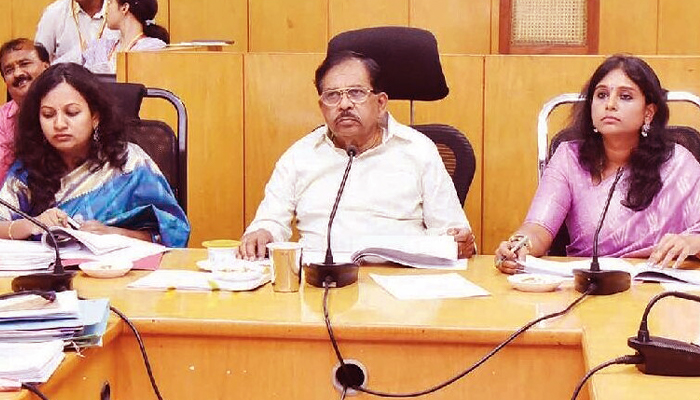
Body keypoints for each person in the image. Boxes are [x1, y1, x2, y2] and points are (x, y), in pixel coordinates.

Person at [238, 50, 475, 260]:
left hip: (402, 283)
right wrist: (262, 233)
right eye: (332, 95)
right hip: (320, 281)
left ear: (381, 103)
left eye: (356, 93)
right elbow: (270, 220)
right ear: (322, 107)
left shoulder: (418, 150)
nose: (344, 105)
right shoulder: (300, 155)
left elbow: (452, 232)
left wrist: (458, 242)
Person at [495, 54, 700, 274]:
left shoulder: (677, 163)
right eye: (601, 95)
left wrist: (691, 242)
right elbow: (538, 227)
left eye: (625, 96)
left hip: (658, 284)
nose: (610, 105)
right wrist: (519, 245)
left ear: (648, 113)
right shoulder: (569, 158)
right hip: (587, 284)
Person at [0, 63, 189, 247]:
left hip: (117, 266)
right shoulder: (28, 167)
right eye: (48, 115)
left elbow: (175, 232)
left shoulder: (129, 163)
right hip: (46, 267)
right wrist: (31, 225)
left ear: (95, 117)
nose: (59, 124)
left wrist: (116, 234)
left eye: (72, 113)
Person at [0, 39, 50, 183]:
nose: (17, 73)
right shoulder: (3, 119)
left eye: (24, 64)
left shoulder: (67, 106)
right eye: (9, 70)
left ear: (46, 67)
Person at [83, 0, 169, 74]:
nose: (106, 10)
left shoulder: (151, 48)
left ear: (124, 8)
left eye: (110, 2)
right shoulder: (102, 48)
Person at [35, 0, 119, 64]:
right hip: (66, 80)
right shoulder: (54, 12)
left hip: (112, 80)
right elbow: (39, 61)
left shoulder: (120, 10)